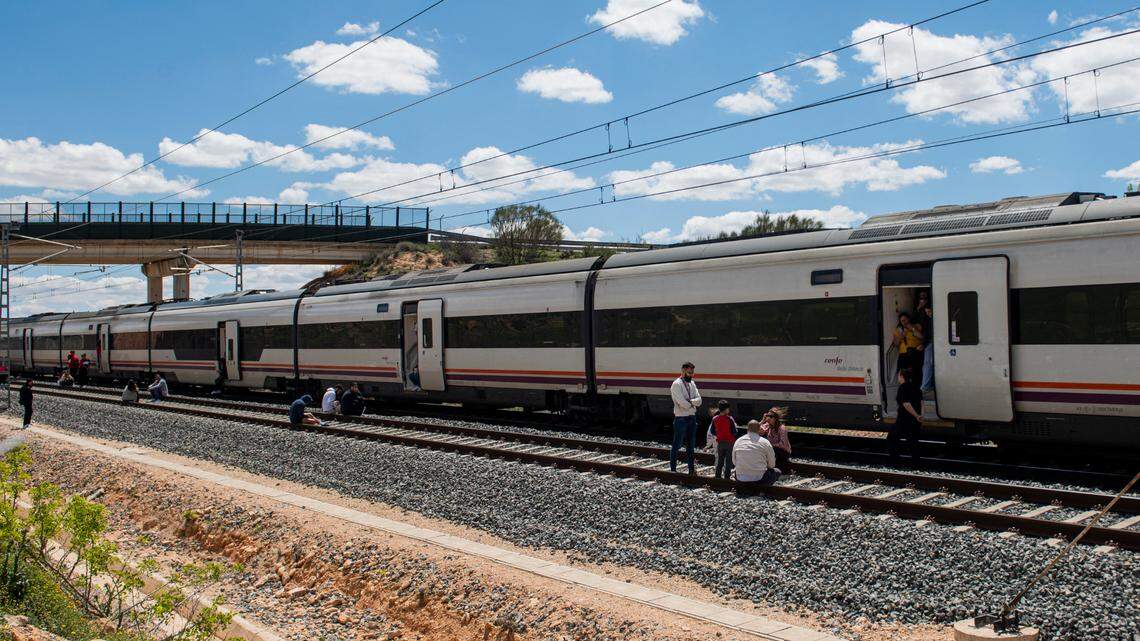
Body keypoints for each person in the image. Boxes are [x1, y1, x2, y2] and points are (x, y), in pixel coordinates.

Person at [732, 420, 781, 497]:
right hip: (759, 479)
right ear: (759, 430)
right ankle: (760, 490)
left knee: (736, 471)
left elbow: (734, 462)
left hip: (741, 478)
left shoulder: (738, 441)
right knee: (777, 471)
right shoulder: (765, 442)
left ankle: (747, 489)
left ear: (747, 429)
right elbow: (772, 465)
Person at [669, 362, 702, 475]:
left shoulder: (692, 383)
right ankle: (673, 469)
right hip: (681, 419)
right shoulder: (676, 384)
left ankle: (691, 470)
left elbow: (699, 400)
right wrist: (692, 403)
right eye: (689, 373)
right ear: (683, 371)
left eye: (692, 373)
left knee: (691, 446)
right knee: (677, 445)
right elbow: (682, 403)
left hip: (691, 418)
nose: (691, 375)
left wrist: (690, 402)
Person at [889, 369, 923, 464]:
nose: (898, 377)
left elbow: (906, 404)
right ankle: (916, 463)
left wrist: (916, 415)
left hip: (904, 419)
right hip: (915, 421)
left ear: (902, 376)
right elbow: (922, 403)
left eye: (899, 375)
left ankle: (895, 462)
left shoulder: (902, 388)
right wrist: (920, 416)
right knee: (913, 441)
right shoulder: (916, 387)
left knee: (892, 438)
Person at [758, 406, 793, 475]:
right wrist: (762, 420)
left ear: (775, 418)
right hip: (773, 449)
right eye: (767, 416)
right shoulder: (767, 426)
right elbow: (755, 431)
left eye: (771, 417)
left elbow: (782, 444)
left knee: (772, 450)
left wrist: (769, 446)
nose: (769, 418)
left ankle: (772, 470)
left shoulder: (781, 428)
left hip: (784, 451)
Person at [709, 400, 738, 479]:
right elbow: (734, 431)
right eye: (728, 409)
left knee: (720, 461)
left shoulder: (715, 419)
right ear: (726, 409)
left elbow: (712, 431)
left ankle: (717, 476)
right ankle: (727, 477)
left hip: (720, 442)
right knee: (728, 461)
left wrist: (719, 435)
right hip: (729, 443)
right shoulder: (730, 419)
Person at [892, 312, 923, 381]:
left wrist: (912, 328)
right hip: (904, 354)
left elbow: (921, 337)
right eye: (902, 321)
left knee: (915, 371)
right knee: (902, 372)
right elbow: (896, 344)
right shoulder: (899, 330)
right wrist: (900, 336)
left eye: (905, 320)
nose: (904, 322)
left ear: (909, 319)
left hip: (916, 351)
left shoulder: (916, 326)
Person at [920, 304, 936, 393]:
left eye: (929, 311)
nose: (928, 314)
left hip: (930, 343)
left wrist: (923, 344)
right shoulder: (929, 320)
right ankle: (926, 385)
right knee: (928, 364)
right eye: (927, 312)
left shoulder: (930, 321)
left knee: (928, 364)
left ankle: (925, 386)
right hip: (930, 343)